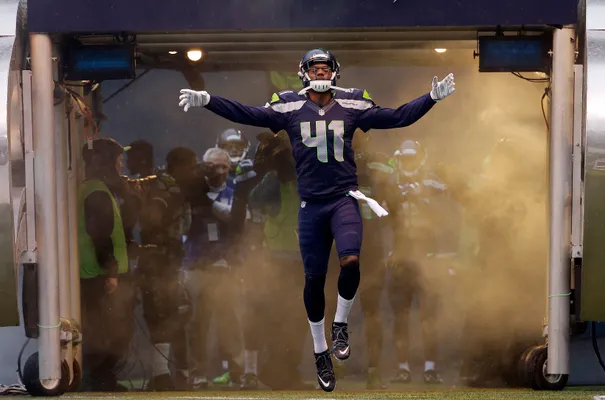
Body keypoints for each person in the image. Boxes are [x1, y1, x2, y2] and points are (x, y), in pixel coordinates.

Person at [178, 48, 456, 392]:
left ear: (335, 72)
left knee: (352, 261)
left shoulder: (354, 102)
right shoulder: (288, 104)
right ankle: (321, 351)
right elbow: (247, 113)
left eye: (326, 67)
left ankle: (339, 325)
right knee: (313, 281)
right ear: (304, 72)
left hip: (344, 199)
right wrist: (208, 100)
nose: (321, 72)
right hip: (311, 206)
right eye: (316, 67)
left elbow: (397, 116)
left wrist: (431, 98)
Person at [126, 141, 192, 390]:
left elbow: (149, 218)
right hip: (162, 259)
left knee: (165, 313)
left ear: (142, 158)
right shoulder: (155, 183)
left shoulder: (163, 185)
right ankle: (167, 373)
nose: (193, 172)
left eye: (131, 157)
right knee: (165, 313)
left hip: (161, 260)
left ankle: (166, 374)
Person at [385, 139, 449, 384]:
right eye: (405, 158)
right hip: (400, 259)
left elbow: (444, 216)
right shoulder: (390, 184)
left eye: (412, 157)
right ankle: (403, 368)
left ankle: (430, 368)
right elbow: (379, 217)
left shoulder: (432, 182)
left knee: (428, 317)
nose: (408, 162)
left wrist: (420, 197)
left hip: (426, 259)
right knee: (400, 316)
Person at [181, 147, 244, 390]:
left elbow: (235, 220)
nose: (218, 171)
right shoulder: (192, 192)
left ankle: (237, 371)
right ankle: (198, 373)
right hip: (196, 265)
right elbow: (183, 227)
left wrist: (205, 201)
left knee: (229, 323)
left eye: (223, 166)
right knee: (197, 324)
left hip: (223, 266)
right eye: (212, 166)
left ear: (230, 168)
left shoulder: (234, 192)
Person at [78, 137, 135, 391]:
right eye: (118, 160)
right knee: (109, 330)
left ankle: (101, 378)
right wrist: (111, 272)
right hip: (99, 275)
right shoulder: (98, 192)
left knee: (102, 329)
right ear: (107, 163)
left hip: (92, 273)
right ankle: (102, 379)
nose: (121, 166)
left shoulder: (88, 188)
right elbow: (101, 234)